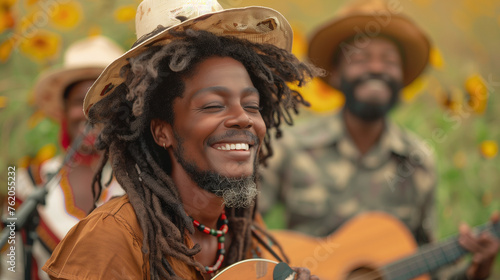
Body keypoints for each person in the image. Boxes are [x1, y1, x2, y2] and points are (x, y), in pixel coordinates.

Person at [42, 0, 322, 279]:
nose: (243, 118)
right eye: (213, 105)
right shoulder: (112, 238)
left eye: (251, 105)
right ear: (162, 132)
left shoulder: (242, 229)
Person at [259, 0, 499, 279]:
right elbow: (242, 230)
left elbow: (428, 270)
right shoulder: (291, 145)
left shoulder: (418, 161)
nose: (376, 68)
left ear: (402, 78)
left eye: (389, 61)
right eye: (360, 58)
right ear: (336, 75)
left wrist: (478, 270)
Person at [1, 36, 125, 280]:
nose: (91, 112)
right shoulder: (27, 182)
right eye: (81, 101)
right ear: (63, 110)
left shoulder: (141, 182)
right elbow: (10, 268)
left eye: (104, 100)